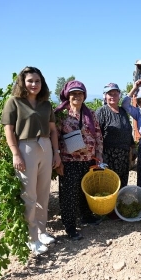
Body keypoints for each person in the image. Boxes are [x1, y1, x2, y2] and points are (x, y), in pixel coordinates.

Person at [1, 66, 61, 255]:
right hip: (25, 147)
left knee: (43, 192)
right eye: (30, 81)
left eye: (37, 81)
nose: (34, 84)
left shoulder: (46, 104)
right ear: (23, 82)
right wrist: (15, 153)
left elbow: (52, 130)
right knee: (29, 194)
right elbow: (8, 129)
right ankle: (31, 237)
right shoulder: (14, 102)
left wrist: (56, 152)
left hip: (45, 147)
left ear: (41, 83)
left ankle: (42, 231)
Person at [54, 80, 103, 241]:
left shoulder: (90, 114)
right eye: (73, 93)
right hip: (69, 160)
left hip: (88, 159)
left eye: (80, 93)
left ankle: (86, 216)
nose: (77, 96)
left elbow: (97, 135)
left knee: (85, 190)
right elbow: (54, 138)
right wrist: (58, 161)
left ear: (84, 96)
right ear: (67, 96)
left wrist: (99, 156)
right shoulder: (61, 115)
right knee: (69, 194)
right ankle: (70, 226)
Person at [96, 83, 136, 189]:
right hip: (109, 156)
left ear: (119, 95)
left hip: (124, 155)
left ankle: (119, 204)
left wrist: (133, 146)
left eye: (115, 93)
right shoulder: (101, 112)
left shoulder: (123, 111)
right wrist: (98, 155)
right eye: (110, 94)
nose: (113, 96)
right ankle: (108, 205)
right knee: (109, 184)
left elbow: (127, 130)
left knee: (122, 183)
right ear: (105, 96)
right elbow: (96, 134)